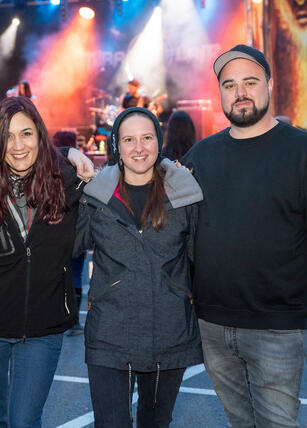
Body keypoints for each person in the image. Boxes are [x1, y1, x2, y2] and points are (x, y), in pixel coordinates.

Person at [181, 44, 307, 427]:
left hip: (278, 329)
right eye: (229, 85)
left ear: (270, 85)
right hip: (212, 327)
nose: (240, 92)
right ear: (221, 93)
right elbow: (174, 230)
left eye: (250, 82)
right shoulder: (200, 157)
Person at [0, 96, 86, 427]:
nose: (18, 145)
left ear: (40, 136)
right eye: (8, 136)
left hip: (43, 328)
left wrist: (72, 154)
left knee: (25, 421)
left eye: (26, 134)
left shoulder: (67, 183)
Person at [74, 107, 204, 427]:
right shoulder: (96, 195)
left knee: (155, 423)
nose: (138, 147)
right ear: (117, 145)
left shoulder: (184, 192)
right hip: (109, 336)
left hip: (169, 334)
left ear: (159, 142)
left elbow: (200, 259)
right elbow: (71, 245)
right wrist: (75, 184)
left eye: (146, 138)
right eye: (128, 139)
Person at [52, 130, 86, 336]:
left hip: (55, 230)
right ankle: (73, 321)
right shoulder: (81, 165)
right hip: (77, 229)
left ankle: (57, 315)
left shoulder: (49, 168)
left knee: (57, 274)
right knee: (76, 274)